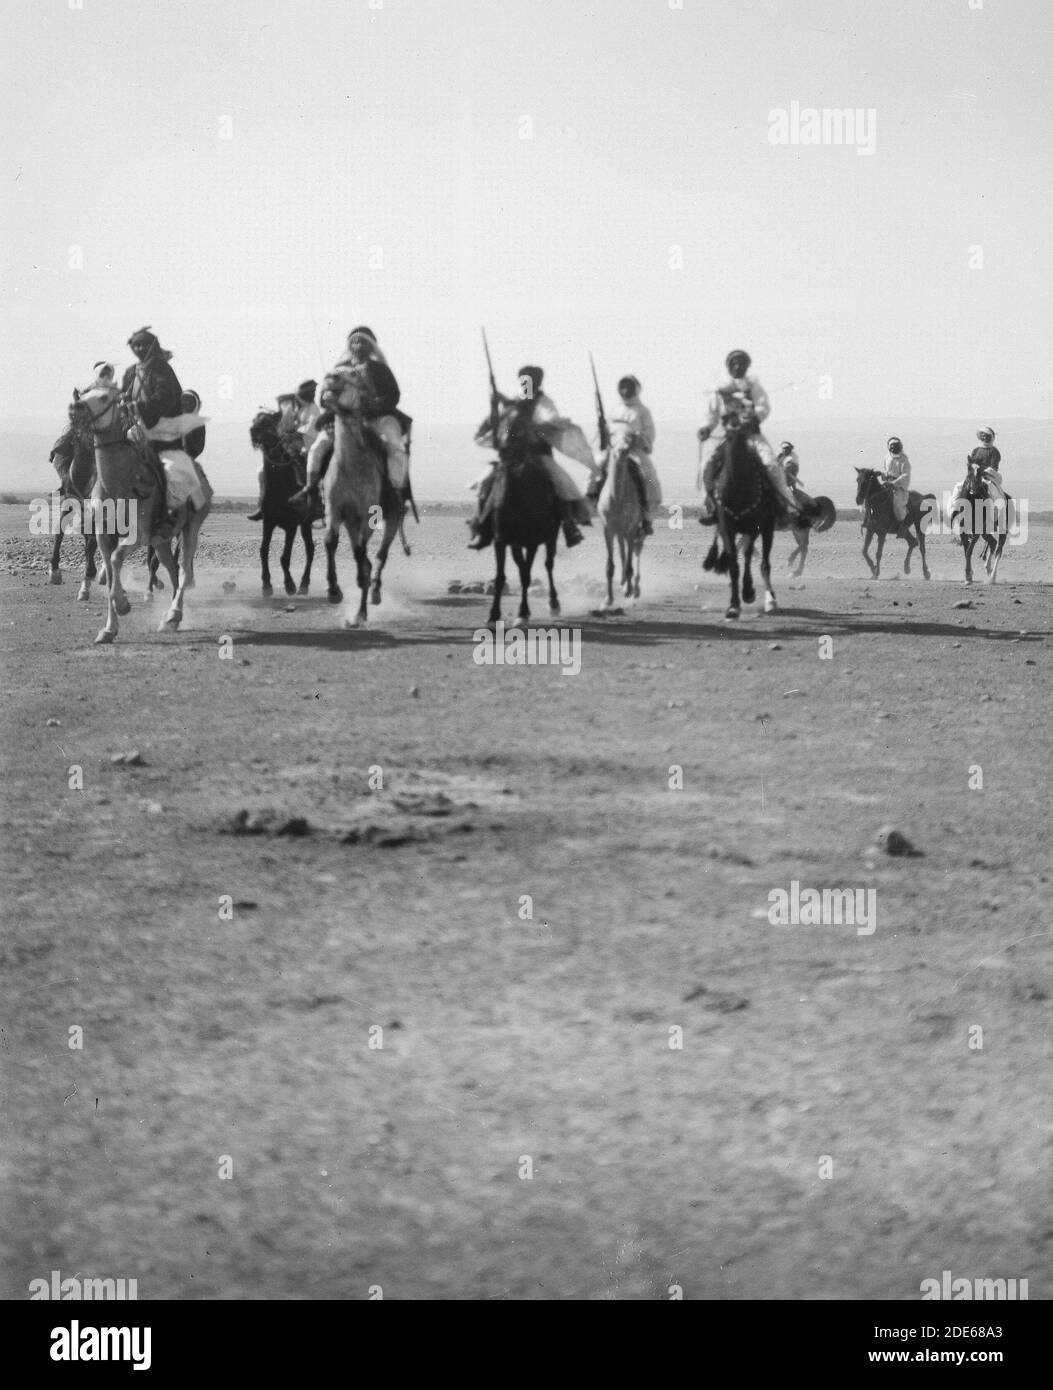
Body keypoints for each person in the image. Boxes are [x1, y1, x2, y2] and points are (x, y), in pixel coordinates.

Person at [467, 364, 597, 549]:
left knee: (563, 484)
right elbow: (496, 423)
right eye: (524, 379)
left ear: (537, 382)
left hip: (538, 455)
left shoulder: (544, 402)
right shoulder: (512, 402)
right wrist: (496, 405)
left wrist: (525, 415)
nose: (526, 382)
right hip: (510, 458)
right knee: (485, 481)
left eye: (530, 379)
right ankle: (480, 525)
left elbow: (549, 418)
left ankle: (569, 526)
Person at [292, 327, 412, 513]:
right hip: (342, 420)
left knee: (394, 446)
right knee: (317, 447)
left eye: (363, 342)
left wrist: (374, 407)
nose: (358, 345)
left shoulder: (381, 370)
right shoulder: (339, 370)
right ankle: (311, 490)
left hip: (377, 419)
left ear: (371, 346)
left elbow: (393, 396)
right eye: (355, 341)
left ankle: (395, 493)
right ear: (349, 345)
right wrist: (329, 401)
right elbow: (324, 396)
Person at [121, 327, 208, 534]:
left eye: (143, 344)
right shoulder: (132, 371)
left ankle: (171, 514)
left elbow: (166, 397)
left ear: (152, 346)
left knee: (170, 468)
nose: (139, 348)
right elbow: (125, 393)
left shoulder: (162, 370)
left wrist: (141, 407)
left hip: (162, 429)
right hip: (136, 426)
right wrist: (123, 404)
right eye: (136, 345)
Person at [697, 349, 800, 523]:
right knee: (707, 465)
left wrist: (753, 418)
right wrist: (706, 428)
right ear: (729, 367)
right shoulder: (720, 391)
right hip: (728, 437)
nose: (737, 367)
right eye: (734, 364)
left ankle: (787, 507)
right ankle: (711, 507)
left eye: (741, 364)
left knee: (772, 466)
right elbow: (712, 415)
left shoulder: (754, 387)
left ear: (746, 367)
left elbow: (763, 407)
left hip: (752, 437)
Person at [586, 376, 661, 535]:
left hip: (634, 451)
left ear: (636, 389)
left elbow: (649, 433)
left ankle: (647, 518)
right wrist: (603, 434)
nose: (626, 390)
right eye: (623, 387)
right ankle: (590, 498)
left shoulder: (642, 411)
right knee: (594, 467)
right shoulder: (615, 410)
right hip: (613, 449)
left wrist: (638, 439)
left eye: (629, 387)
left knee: (649, 477)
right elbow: (605, 431)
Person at [882, 436, 911, 537]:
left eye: (896, 446)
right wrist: (883, 475)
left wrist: (894, 483)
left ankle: (901, 526)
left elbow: (905, 475)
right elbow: (885, 470)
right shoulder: (887, 457)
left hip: (898, 488)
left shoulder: (904, 459)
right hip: (887, 485)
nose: (894, 448)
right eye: (892, 446)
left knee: (897, 504)